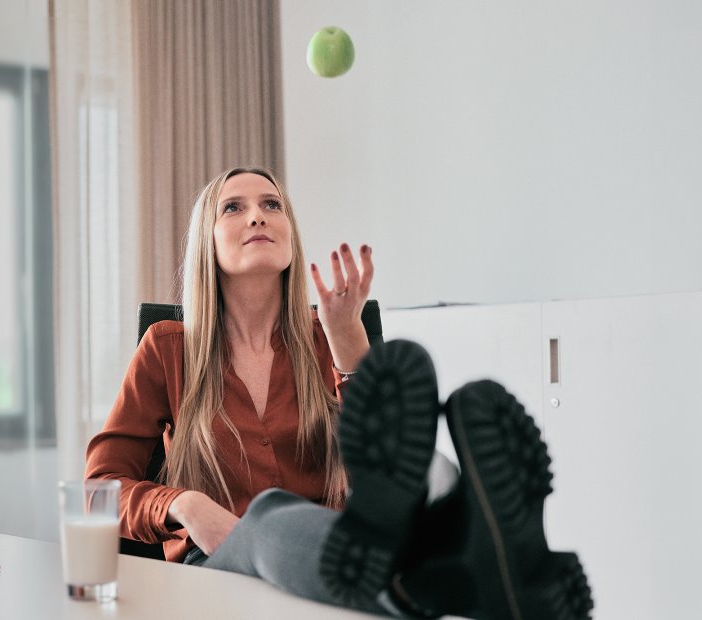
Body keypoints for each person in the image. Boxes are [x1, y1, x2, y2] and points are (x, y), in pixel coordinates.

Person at [84, 167, 594, 619]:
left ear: (290, 233)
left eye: (272, 205)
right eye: (233, 207)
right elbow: (97, 491)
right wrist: (185, 505)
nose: (257, 216)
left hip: (344, 540)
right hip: (224, 556)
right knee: (266, 518)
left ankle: (469, 548)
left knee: (430, 468)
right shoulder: (168, 349)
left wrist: (348, 341)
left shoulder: (326, 334)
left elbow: (380, 463)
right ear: (206, 242)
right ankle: (439, 572)